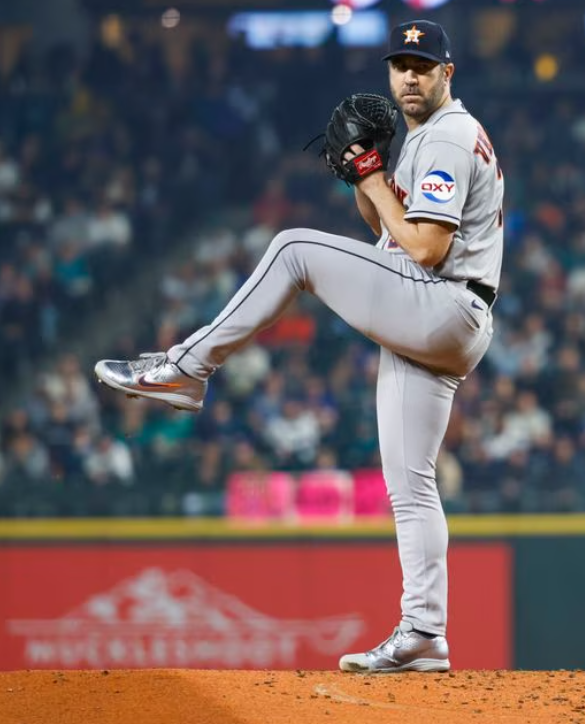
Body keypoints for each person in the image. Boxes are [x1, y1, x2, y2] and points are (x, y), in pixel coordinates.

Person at [93, 19, 504, 674]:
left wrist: (371, 176)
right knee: (411, 487)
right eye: (400, 65)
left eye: (423, 66)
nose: (409, 77)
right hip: (444, 319)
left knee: (291, 249)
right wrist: (363, 179)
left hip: (442, 303)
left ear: (447, 74)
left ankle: (187, 369)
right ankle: (426, 633)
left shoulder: (450, 136)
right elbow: (393, 236)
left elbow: (427, 249)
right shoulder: (429, 139)